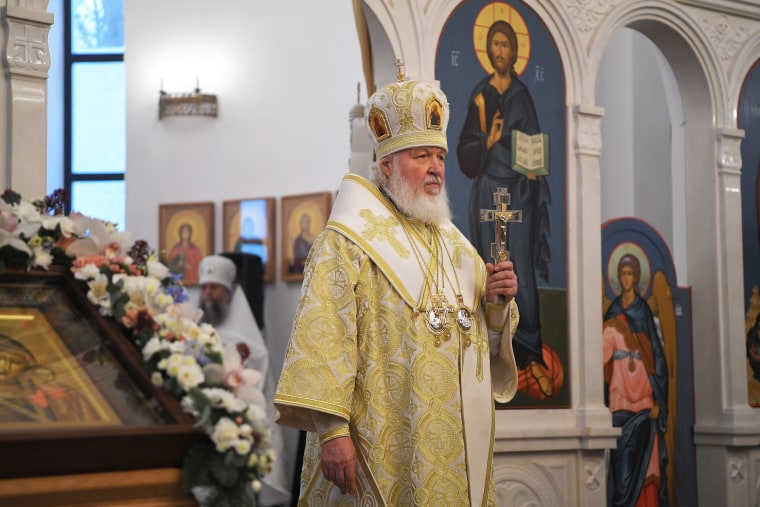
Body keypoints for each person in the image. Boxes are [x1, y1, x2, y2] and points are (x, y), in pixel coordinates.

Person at [274, 74, 520, 505]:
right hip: (377, 441)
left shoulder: (455, 245)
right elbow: (322, 338)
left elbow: (483, 340)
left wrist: (496, 307)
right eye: (421, 155)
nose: (436, 168)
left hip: (450, 448)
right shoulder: (347, 241)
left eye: (440, 156)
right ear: (386, 164)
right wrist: (332, 431)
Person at [457, 20, 554, 397]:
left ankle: (527, 352)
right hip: (486, 191)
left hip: (520, 194)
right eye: (494, 45)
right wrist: (488, 139)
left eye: (505, 45)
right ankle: (480, 353)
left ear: (514, 52)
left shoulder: (522, 95)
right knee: (486, 268)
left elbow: (533, 147)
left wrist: (531, 168)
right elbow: (466, 156)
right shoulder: (480, 96)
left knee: (520, 269)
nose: (500, 52)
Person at [197, 255, 291, 506]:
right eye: (204, 287)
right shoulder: (195, 331)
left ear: (227, 292)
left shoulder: (251, 346)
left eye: (214, 288)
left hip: (238, 433)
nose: (208, 293)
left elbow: (256, 393)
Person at [603, 253, 668, 507]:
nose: (626, 278)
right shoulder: (613, 312)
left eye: (630, 273)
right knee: (623, 468)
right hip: (619, 401)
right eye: (623, 274)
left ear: (637, 277)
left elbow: (657, 356)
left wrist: (658, 399)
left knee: (646, 463)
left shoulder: (643, 310)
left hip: (644, 401)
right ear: (618, 278)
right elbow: (602, 357)